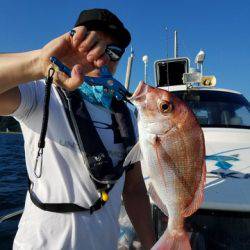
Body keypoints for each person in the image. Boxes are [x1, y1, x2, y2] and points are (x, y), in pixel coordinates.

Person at [0, 8, 155, 250]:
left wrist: (151, 244)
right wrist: (40, 62)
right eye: (91, 45)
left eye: (114, 52)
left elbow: (134, 189)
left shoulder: (126, 115)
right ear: (72, 43)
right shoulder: (41, 92)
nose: (102, 59)